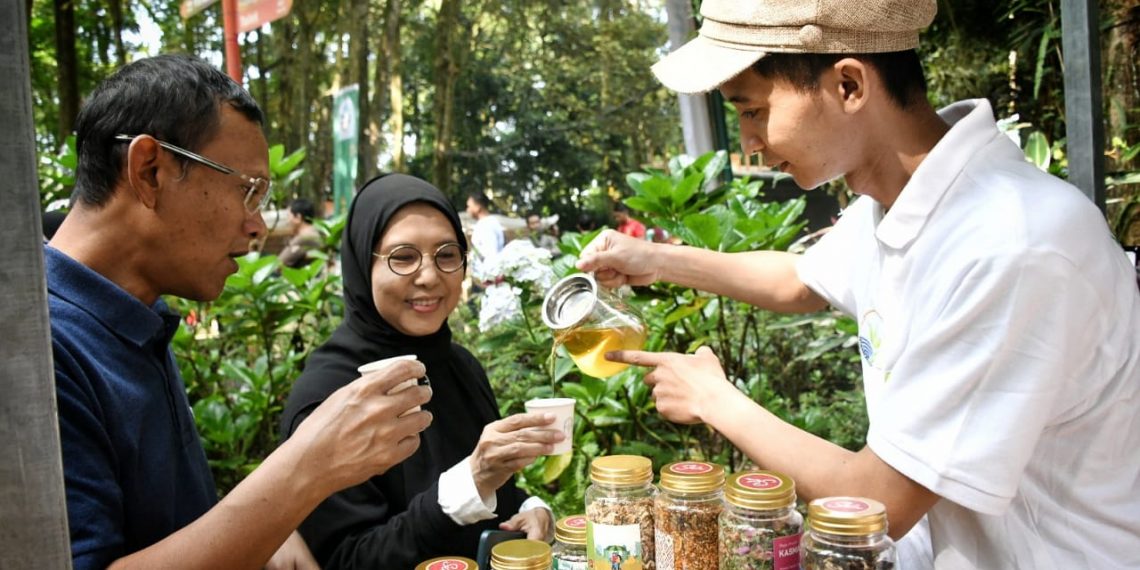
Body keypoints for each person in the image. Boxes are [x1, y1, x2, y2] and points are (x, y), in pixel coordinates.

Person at [576, 0, 1140, 568]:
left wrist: (716, 400)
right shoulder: (902, 198)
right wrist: (655, 259)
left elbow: (878, 501)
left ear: (848, 85)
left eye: (752, 110)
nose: (749, 142)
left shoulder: (1011, 246)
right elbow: (799, 280)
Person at [45, 54, 433, 570]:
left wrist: (265, 532)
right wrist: (303, 472)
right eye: (247, 190)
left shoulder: (135, 319)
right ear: (149, 170)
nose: (256, 226)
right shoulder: (40, 351)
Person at [281, 174, 560, 568]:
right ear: (363, 262)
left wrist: (530, 509)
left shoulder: (460, 367)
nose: (429, 276)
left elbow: (492, 490)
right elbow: (345, 559)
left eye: (447, 254)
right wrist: (465, 487)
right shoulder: (330, 393)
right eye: (403, 257)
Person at [466, 190, 504, 283]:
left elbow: (491, 254)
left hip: (487, 280)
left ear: (478, 207)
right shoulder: (485, 224)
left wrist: (489, 280)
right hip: (482, 279)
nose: (467, 210)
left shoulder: (487, 225)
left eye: (469, 206)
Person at [279, 198, 323, 268]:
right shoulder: (314, 232)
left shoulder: (304, 238)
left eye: (289, 216)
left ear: (298, 217)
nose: (288, 221)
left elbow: (279, 263)